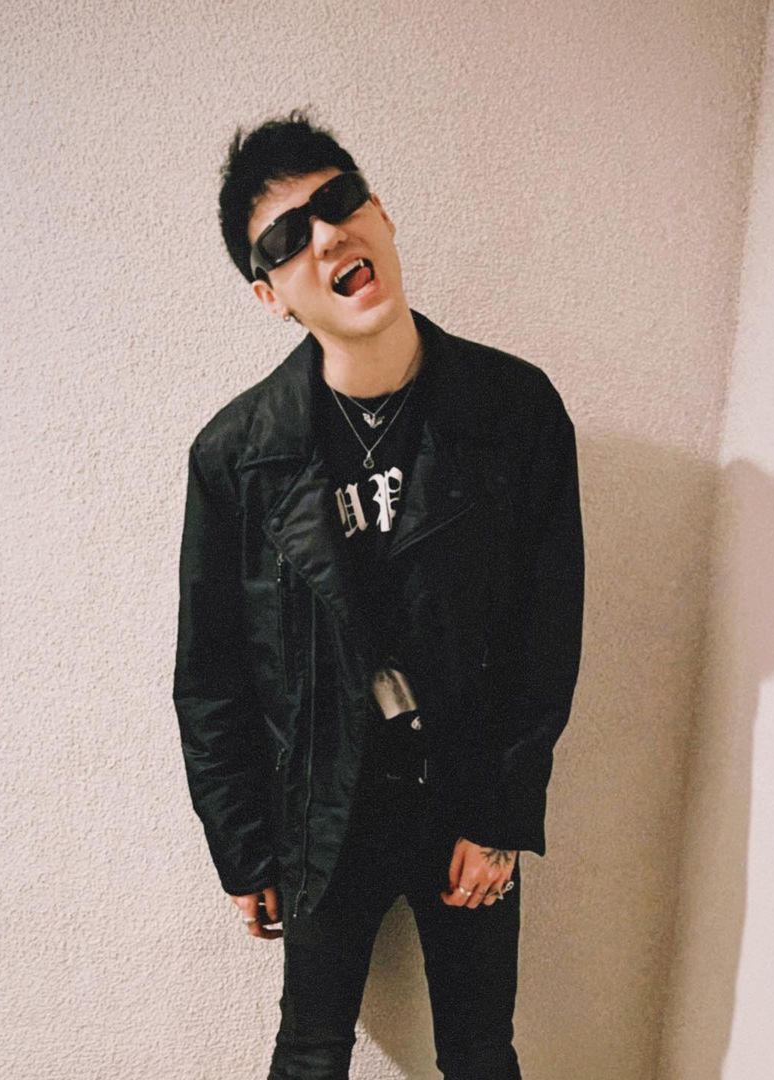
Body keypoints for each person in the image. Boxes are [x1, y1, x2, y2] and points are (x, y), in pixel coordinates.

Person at [172, 111, 585, 1080]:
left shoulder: (514, 411)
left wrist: (501, 814)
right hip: (320, 814)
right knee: (309, 1054)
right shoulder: (237, 458)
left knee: (480, 1053)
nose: (326, 235)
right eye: (287, 238)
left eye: (340, 200)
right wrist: (244, 847)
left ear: (382, 213)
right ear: (270, 294)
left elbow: (548, 628)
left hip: (466, 792)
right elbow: (212, 675)